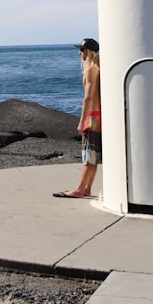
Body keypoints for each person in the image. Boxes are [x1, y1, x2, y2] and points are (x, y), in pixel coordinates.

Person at [54, 38, 101, 198]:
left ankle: (80, 190)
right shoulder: (99, 68)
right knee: (94, 155)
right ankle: (87, 188)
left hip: (92, 117)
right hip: (99, 116)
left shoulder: (90, 70)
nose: (79, 53)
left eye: (81, 50)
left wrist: (82, 121)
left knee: (89, 155)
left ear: (88, 52)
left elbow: (88, 98)